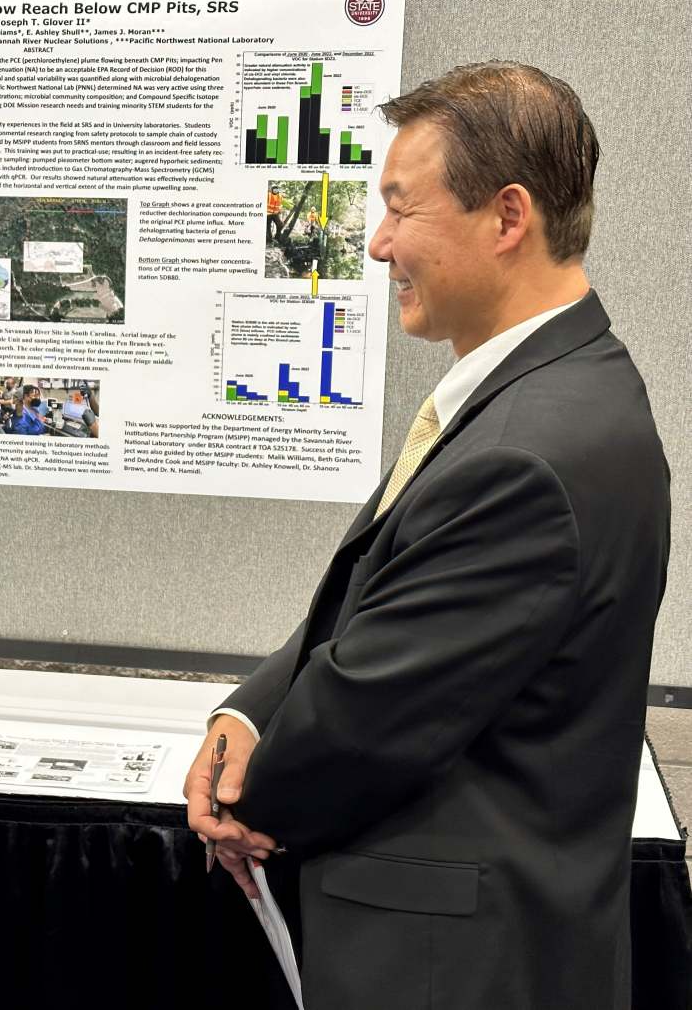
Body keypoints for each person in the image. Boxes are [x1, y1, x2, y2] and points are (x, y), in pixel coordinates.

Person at [185, 63, 669, 1009]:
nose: (376, 245)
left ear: (507, 217)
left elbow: (370, 711)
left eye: (402, 210)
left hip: (454, 966)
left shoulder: (528, 453)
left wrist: (245, 794)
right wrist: (246, 714)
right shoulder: (547, 392)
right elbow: (374, 591)